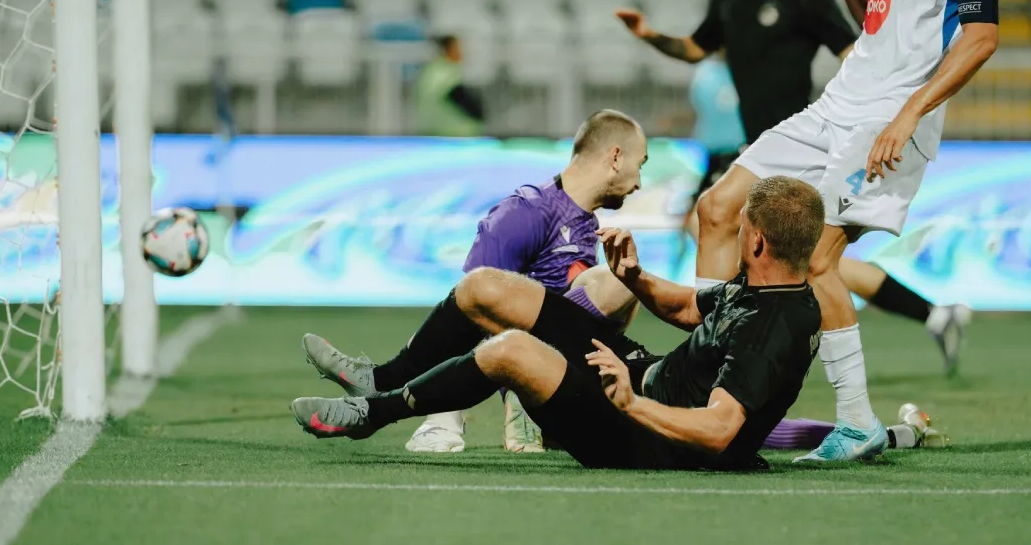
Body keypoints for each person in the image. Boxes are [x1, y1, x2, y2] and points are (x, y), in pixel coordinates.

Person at [682, 0, 1001, 462]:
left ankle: (856, 423)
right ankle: (705, 384)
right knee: (716, 210)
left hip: (885, 118)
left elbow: (981, 36)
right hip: (836, 105)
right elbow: (877, 30)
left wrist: (908, 115)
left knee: (818, 258)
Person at [620, 0, 972, 373]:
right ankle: (930, 314)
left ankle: (722, 357)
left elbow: (858, 53)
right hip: (757, 151)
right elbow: (694, 48)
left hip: (804, 151)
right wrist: (647, 35)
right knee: (777, 250)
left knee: (785, 252)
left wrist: (863, 120)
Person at [290, 177, 832, 472]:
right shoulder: (767, 282)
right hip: (643, 377)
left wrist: (630, 404)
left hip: (645, 437)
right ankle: (381, 377)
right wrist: (635, 277)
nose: (736, 235)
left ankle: (371, 413)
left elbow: (719, 432)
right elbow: (691, 309)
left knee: (510, 351)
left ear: (757, 240)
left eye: (741, 229)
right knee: (486, 286)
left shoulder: (774, 327)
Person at [402, 109, 650, 453]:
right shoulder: (526, 210)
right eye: (642, 163)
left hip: (562, 370)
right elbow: (468, 306)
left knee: (625, 279)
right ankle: (456, 414)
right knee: (617, 281)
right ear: (616, 157)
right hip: (511, 357)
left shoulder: (588, 225)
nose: (640, 181)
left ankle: (548, 410)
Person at [414, 35, 485, 137]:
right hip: (450, 134)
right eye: (458, 47)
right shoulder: (443, 72)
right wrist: (478, 117)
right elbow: (459, 97)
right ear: (449, 49)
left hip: (434, 133)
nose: (462, 52)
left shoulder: (431, 70)